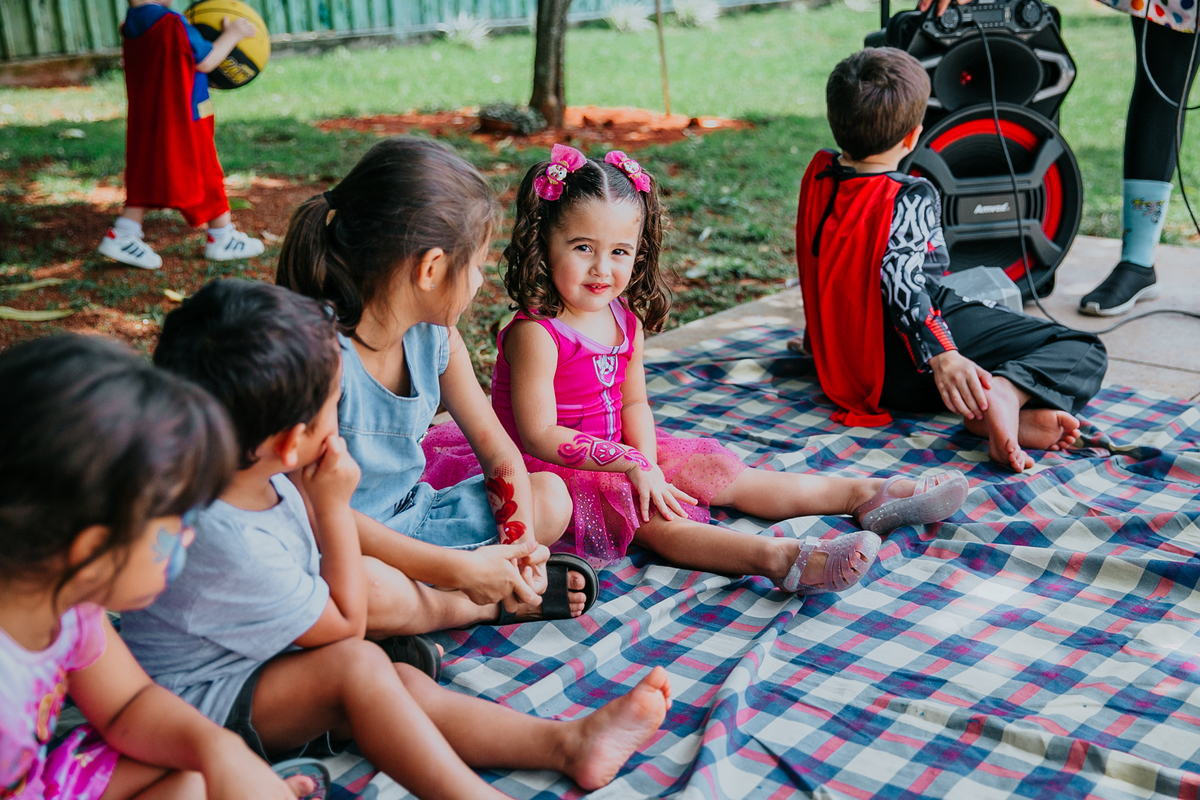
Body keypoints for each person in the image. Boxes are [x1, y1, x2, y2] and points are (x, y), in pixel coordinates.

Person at [121, 279, 673, 800]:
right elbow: (346, 625)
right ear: (292, 443)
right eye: (331, 411)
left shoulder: (249, 475)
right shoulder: (229, 536)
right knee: (361, 671)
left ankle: (566, 744)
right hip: (203, 707)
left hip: (266, 661)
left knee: (398, 682)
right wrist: (333, 506)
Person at [422, 143, 968, 594]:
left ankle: (867, 494)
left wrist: (648, 462)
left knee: (723, 476)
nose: (601, 268)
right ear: (545, 242)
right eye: (583, 247)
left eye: (619, 252)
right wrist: (631, 468)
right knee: (653, 520)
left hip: (623, 450)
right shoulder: (536, 334)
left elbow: (634, 402)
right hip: (549, 469)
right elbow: (539, 435)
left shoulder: (623, 317)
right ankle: (785, 560)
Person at [277, 136, 596, 625]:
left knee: (549, 498)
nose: (480, 282)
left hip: (415, 520)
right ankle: (478, 605)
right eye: (476, 266)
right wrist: (458, 569)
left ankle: (452, 595)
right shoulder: (321, 356)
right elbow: (316, 514)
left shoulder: (437, 337)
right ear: (430, 269)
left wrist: (518, 548)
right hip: (335, 542)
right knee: (370, 587)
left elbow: (498, 453)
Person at [0, 334, 316, 800]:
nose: (190, 537)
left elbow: (128, 705)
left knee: (195, 775)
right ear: (93, 550)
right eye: (178, 524)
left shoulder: (66, 598)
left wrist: (221, 752)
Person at [795, 48, 1108, 472]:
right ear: (913, 137)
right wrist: (942, 354)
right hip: (915, 363)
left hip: (847, 365)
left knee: (981, 335)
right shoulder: (907, 195)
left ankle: (989, 407)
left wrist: (819, 340)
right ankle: (1005, 395)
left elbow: (822, 261)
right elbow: (902, 282)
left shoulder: (818, 172)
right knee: (1083, 349)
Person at [96, 0, 265, 270]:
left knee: (144, 174)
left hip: (153, 116)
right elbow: (206, 61)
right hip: (185, 115)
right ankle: (222, 236)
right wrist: (233, 34)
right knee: (208, 172)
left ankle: (125, 233)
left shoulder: (134, 22)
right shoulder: (171, 23)